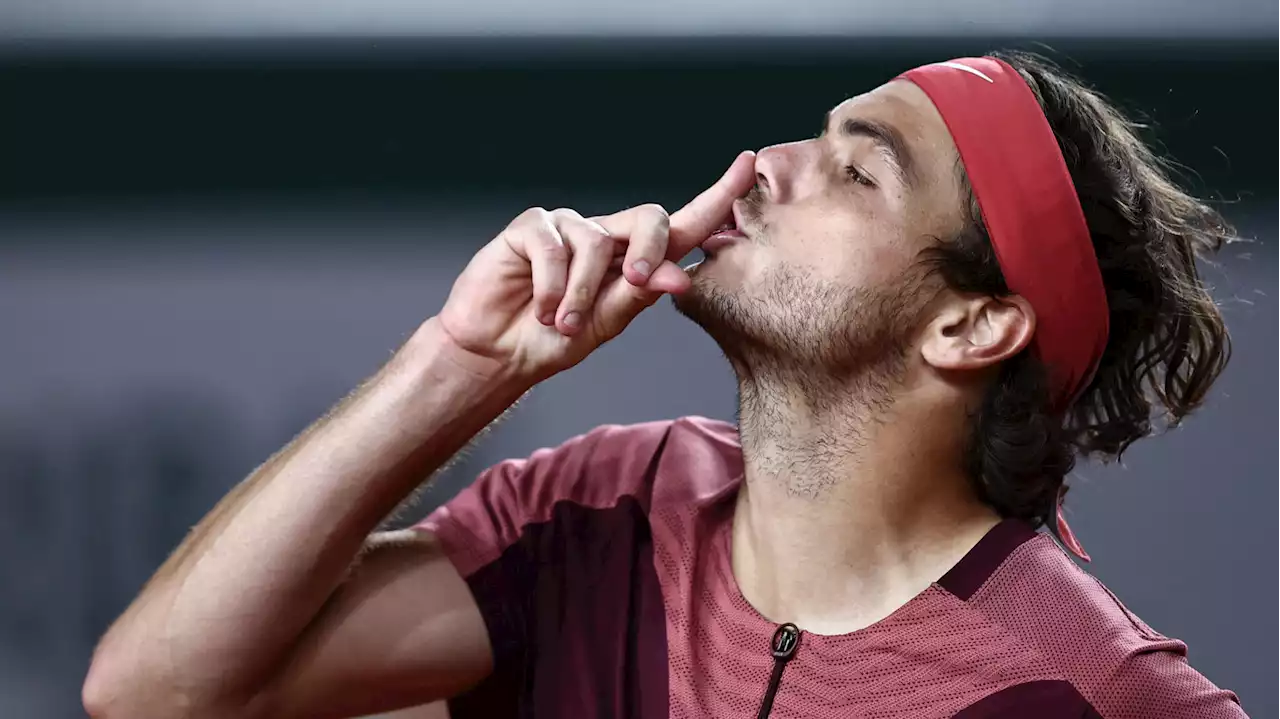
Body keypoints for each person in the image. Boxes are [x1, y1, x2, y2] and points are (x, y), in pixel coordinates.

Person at [83, 51, 1247, 719]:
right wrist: (456, 365)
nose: (765, 164)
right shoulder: (600, 506)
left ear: (970, 322)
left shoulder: (1096, 691)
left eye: (853, 170)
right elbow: (154, 695)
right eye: (811, 132)